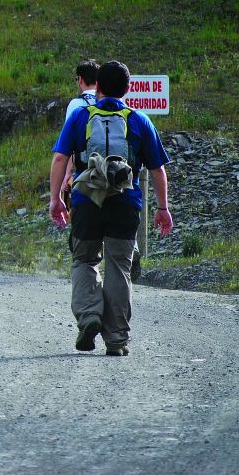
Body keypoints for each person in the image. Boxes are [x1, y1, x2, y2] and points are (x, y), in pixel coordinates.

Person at [48, 60, 173, 356]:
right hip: (125, 204)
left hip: (87, 202)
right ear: (128, 89)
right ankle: (116, 338)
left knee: (85, 260)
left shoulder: (80, 116)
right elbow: (157, 170)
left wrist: (55, 200)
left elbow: (58, 159)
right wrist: (162, 208)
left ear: (98, 88)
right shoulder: (139, 120)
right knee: (119, 267)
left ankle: (89, 316)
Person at [60, 59, 100, 204]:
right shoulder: (109, 101)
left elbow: (69, 144)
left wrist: (67, 174)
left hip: (85, 170)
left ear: (81, 79)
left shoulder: (76, 104)